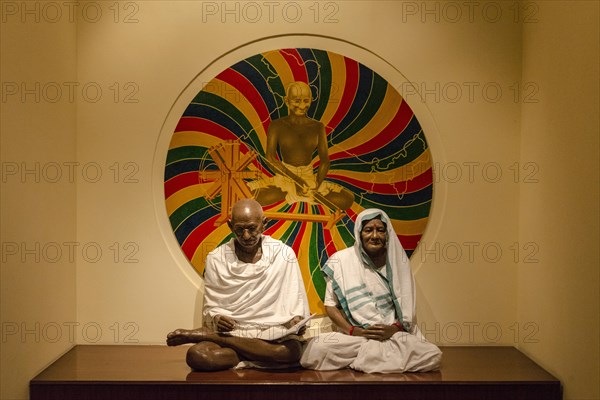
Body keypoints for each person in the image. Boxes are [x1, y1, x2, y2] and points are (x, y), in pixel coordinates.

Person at [167, 199, 310, 371]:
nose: (246, 236)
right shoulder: (217, 258)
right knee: (197, 355)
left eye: (251, 228)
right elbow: (212, 307)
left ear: (264, 224)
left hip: (273, 334)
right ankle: (255, 353)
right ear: (230, 226)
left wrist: (296, 320)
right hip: (235, 332)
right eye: (240, 229)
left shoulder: (283, 254)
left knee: (289, 351)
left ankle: (223, 344)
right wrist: (218, 318)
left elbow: (295, 300)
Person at [300, 208, 442, 373]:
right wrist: (354, 331)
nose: (374, 236)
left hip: (392, 336)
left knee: (431, 355)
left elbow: (407, 308)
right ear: (359, 233)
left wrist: (393, 329)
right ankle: (373, 359)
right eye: (368, 230)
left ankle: (366, 359)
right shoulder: (341, 261)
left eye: (380, 230)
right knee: (315, 350)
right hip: (357, 337)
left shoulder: (398, 262)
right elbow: (330, 306)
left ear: (387, 233)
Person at [250, 81, 354, 210]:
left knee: (347, 198)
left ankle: (305, 194)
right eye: (297, 101)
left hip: (309, 179)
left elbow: (325, 161)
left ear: (311, 100)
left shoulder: (317, 126)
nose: (302, 105)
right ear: (287, 101)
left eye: (306, 101)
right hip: (285, 177)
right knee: (248, 195)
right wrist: (297, 182)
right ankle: (297, 193)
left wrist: (316, 184)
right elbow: (270, 158)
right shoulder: (276, 125)